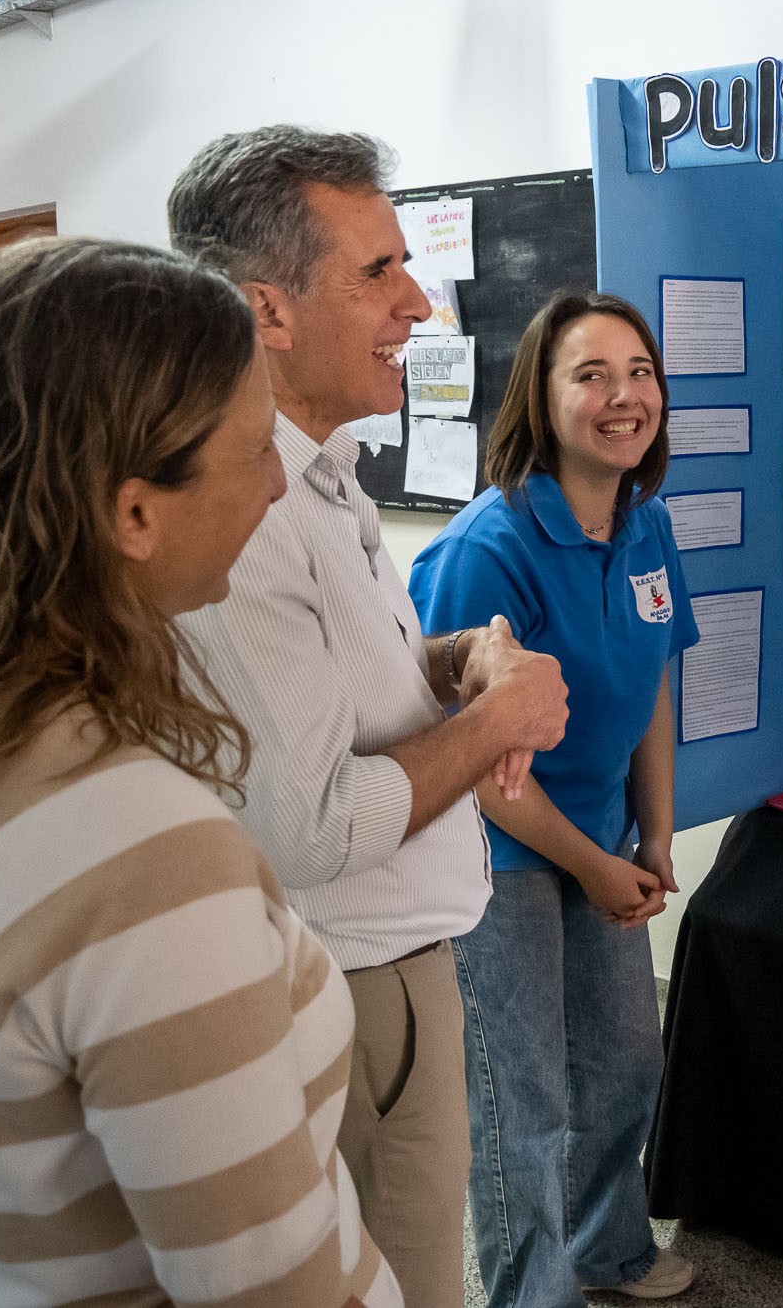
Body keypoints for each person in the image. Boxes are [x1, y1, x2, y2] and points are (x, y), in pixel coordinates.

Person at [0, 237, 399, 1305]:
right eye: (257, 447)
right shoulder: (145, 857)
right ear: (133, 512)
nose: (273, 484)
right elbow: (273, 1289)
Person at [166, 126, 570, 1308]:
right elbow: (314, 829)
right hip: (350, 982)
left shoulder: (322, 469)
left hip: (395, 968)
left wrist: (455, 664)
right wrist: (494, 725)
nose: (417, 302)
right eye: (377, 272)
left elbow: (352, 686)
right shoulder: (246, 512)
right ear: (268, 310)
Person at [407, 291, 700, 1305]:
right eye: (592, 375)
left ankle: (609, 1248)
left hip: (602, 835)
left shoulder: (646, 525)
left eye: (640, 372)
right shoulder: (488, 548)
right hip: (499, 850)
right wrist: (592, 864)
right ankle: (532, 1293)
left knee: (622, 1064)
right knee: (519, 1098)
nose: (624, 396)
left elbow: (652, 681)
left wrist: (654, 834)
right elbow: (475, 758)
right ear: (541, 395)